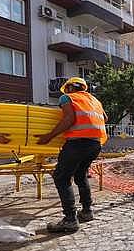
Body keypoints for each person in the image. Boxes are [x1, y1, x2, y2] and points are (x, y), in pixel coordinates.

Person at [36, 77, 107, 233]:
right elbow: (105, 118)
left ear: (68, 88)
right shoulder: (94, 100)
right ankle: (87, 211)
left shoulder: (67, 97)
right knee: (81, 175)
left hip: (77, 144)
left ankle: (70, 220)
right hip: (95, 144)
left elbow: (69, 118)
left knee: (61, 177)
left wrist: (49, 136)